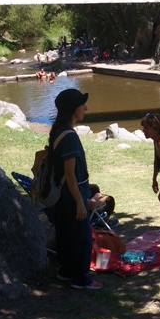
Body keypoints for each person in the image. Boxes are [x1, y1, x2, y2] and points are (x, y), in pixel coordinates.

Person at [49, 88, 102, 290]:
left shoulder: (58, 131)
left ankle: (65, 271)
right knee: (81, 238)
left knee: (66, 234)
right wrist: (81, 202)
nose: (86, 108)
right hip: (72, 196)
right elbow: (70, 174)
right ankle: (81, 279)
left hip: (63, 196)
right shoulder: (69, 136)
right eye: (82, 105)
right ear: (73, 109)